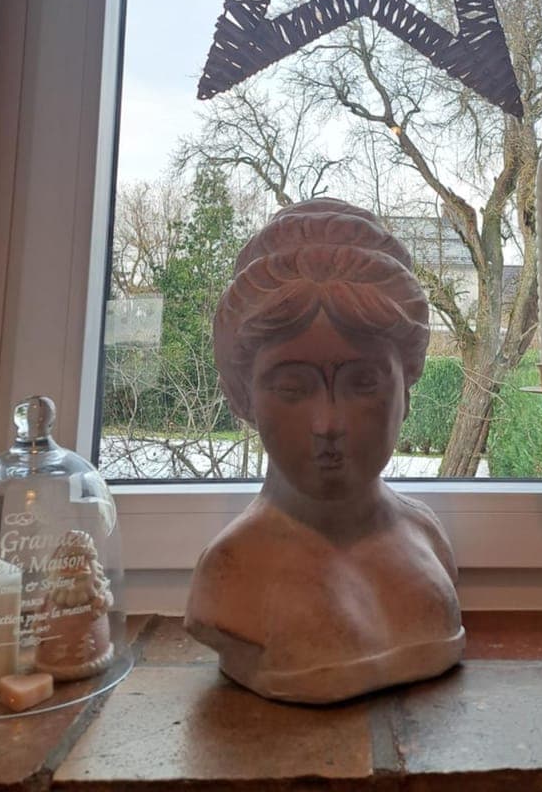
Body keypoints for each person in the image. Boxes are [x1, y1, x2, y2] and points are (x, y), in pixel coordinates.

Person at [186, 199, 465, 703]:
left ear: (407, 389)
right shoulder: (229, 575)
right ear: (242, 397)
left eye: (364, 383)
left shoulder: (427, 537)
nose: (329, 423)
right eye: (292, 388)